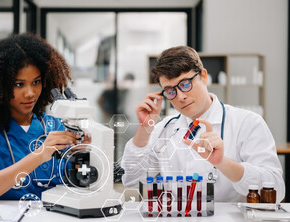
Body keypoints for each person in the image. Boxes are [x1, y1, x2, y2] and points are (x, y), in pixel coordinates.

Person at [121, 46, 285, 202]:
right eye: (171, 91)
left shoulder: (247, 123)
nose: (180, 97)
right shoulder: (165, 129)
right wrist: (145, 129)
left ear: (204, 76)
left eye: (185, 84)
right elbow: (132, 181)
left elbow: (276, 190)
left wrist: (222, 162)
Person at [0, 33, 90, 204]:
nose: (30, 93)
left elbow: (79, 181)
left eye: (36, 82)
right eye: (19, 84)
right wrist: (40, 154)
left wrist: (83, 155)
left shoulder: (57, 127)